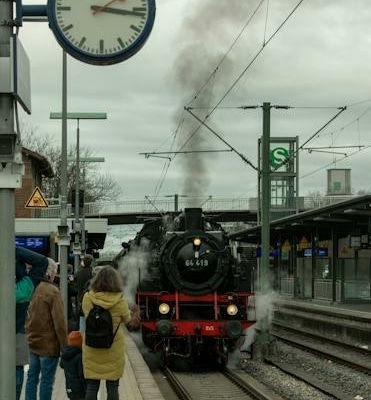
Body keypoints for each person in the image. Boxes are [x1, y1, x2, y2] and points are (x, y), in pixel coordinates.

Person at [82, 266, 131, 400]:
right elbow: (127, 319)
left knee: (92, 385)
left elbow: (86, 314)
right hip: (113, 348)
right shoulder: (120, 302)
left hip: (92, 346)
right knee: (113, 386)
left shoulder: (87, 298)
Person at [25, 258, 68, 400]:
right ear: (50, 273)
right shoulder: (52, 292)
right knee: (46, 381)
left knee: (31, 378)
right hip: (48, 345)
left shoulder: (30, 287)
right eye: (54, 272)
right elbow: (59, 323)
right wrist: (64, 347)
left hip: (32, 342)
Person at [15, 246, 50, 400]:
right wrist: (14, 250)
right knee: (17, 373)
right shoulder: (24, 289)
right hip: (16, 337)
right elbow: (42, 262)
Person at [60, 331, 86, 400]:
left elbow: (61, 365)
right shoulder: (79, 356)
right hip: (79, 389)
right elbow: (81, 374)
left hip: (69, 387)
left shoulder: (65, 353)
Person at [75, 254, 94, 332]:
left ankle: (81, 333)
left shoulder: (78, 273)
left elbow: (75, 284)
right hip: (91, 298)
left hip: (80, 298)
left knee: (81, 316)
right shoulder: (93, 273)